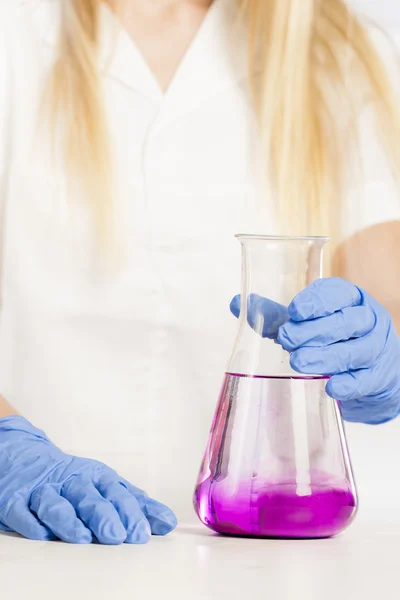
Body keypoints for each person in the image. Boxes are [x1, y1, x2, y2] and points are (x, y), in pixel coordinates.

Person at [0, 0, 399, 545]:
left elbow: (389, 288)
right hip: (36, 546)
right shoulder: (16, 32)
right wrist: (6, 448)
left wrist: (376, 346)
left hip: (277, 557)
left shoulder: (340, 54)